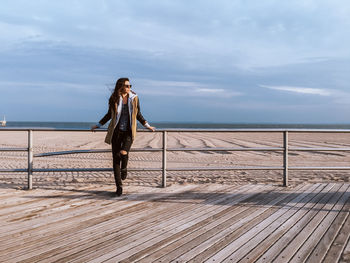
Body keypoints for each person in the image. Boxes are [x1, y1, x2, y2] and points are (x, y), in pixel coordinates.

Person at [91, 78, 155, 196]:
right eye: (126, 85)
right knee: (116, 160)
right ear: (120, 86)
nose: (128, 87)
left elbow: (138, 114)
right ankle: (119, 187)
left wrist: (147, 125)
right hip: (116, 132)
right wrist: (98, 125)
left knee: (124, 152)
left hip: (128, 132)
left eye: (129, 85)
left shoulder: (134, 98)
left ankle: (124, 168)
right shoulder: (114, 98)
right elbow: (109, 114)